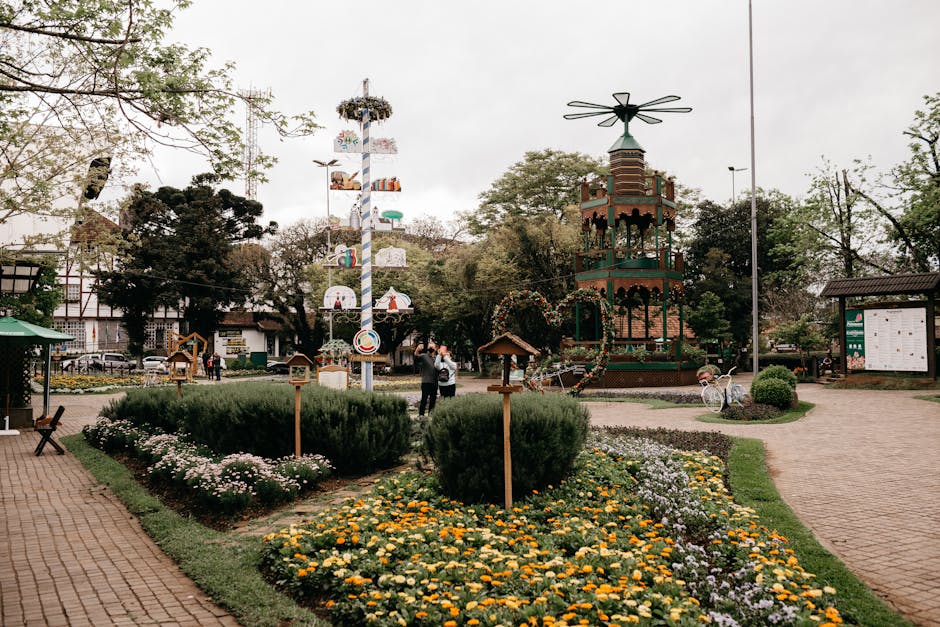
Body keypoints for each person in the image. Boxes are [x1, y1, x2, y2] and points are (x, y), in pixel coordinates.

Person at [414, 342, 439, 416]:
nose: (431, 348)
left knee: (433, 400)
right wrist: (417, 350)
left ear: (435, 349)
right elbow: (416, 357)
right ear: (428, 348)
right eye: (430, 347)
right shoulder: (423, 356)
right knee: (424, 399)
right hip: (426, 382)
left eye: (432, 347)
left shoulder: (437, 358)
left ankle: (431, 414)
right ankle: (421, 414)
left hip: (435, 382)